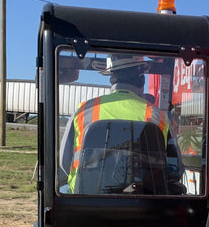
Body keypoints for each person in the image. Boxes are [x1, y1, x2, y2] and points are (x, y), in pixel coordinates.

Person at [60, 54, 182, 194]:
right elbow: (175, 169)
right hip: (143, 204)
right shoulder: (158, 116)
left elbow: (64, 164)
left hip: (84, 201)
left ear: (112, 78)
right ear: (141, 79)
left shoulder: (84, 110)